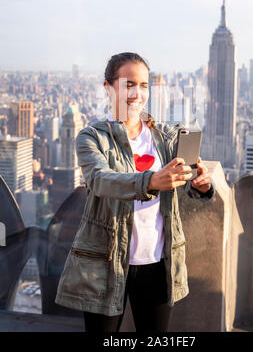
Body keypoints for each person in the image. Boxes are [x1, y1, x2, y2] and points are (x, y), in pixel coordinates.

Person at [55, 52, 215, 333]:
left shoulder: (165, 135)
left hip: (158, 261)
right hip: (105, 264)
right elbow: (100, 180)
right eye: (129, 84)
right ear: (108, 87)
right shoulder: (92, 137)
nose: (137, 93)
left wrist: (201, 185)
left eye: (143, 86)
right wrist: (151, 181)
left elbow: (187, 174)